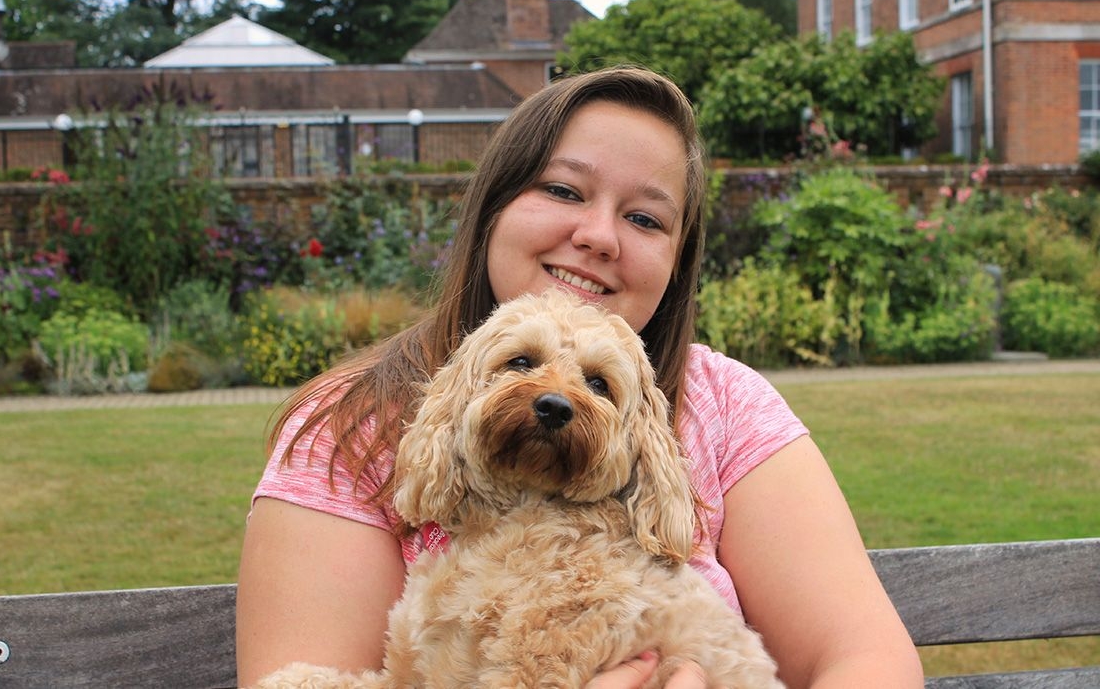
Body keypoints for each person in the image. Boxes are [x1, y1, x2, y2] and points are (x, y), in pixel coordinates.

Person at [236, 66, 924, 688]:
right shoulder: (352, 426)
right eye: (564, 189)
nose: (600, 235)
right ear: (493, 206)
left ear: (677, 262)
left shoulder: (728, 404)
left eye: (645, 218)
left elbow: (867, 658)